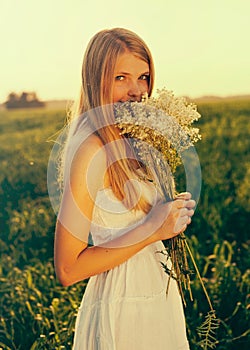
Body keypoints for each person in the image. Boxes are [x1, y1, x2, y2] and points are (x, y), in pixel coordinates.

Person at [54, 28, 195, 350]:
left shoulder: (131, 137)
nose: (136, 91)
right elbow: (68, 268)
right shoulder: (91, 149)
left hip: (155, 297)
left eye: (143, 77)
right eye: (121, 77)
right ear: (96, 80)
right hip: (124, 304)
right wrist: (152, 227)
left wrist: (170, 214)